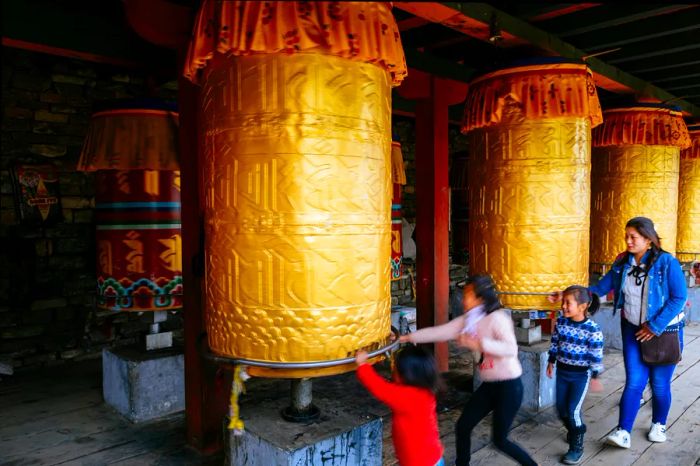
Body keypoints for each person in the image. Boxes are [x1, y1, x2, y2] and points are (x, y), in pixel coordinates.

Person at [550, 216, 687, 448]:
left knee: (660, 383)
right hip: (633, 329)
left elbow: (679, 298)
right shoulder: (623, 263)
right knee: (634, 381)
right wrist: (566, 295)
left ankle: (659, 424)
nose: (628, 241)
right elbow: (599, 289)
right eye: (627, 236)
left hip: (665, 332)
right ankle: (623, 431)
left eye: (633, 237)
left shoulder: (667, 263)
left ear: (648, 239)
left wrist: (654, 326)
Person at [400, 274, 537, 466]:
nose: (463, 299)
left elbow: (511, 349)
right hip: (489, 386)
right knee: (463, 426)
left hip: (509, 387)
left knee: (500, 440)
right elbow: (441, 331)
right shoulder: (469, 320)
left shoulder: (498, 318)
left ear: (481, 297)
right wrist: (408, 337)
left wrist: (478, 343)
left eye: (468, 295)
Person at [355, 345, 444, 466]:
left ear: (406, 374)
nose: (392, 368)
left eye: (394, 367)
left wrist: (362, 365)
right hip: (433, 457)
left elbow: (379, 387)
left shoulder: (406, 398)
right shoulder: (425, 390)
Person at [546, 285, 605, 464]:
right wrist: (551, 361)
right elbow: (555, 342)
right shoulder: (561, 322)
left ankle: (576, 446)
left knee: (572, 411)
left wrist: (595, 376)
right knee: (561, 410)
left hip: (580, 376)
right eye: (563, 302)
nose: (563, 306)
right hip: (562, 373)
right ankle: (576, 429)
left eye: (568, 303)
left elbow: (596, 355)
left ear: (583, 306)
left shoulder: (592, 329)